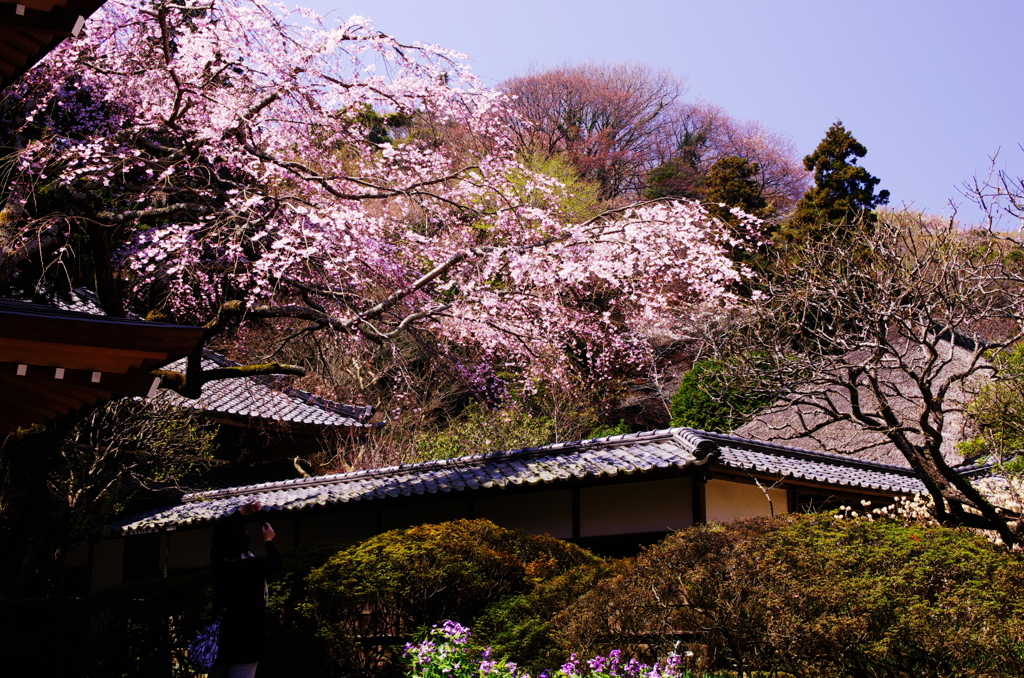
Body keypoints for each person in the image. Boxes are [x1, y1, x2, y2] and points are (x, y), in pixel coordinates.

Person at [208, 500, 282, 678]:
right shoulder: (253, 566)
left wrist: (242, 512)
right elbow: (277, 564)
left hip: (219, 643)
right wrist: (268, 541)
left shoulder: (218, 565)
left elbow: (222, 533)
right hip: (246, 642)